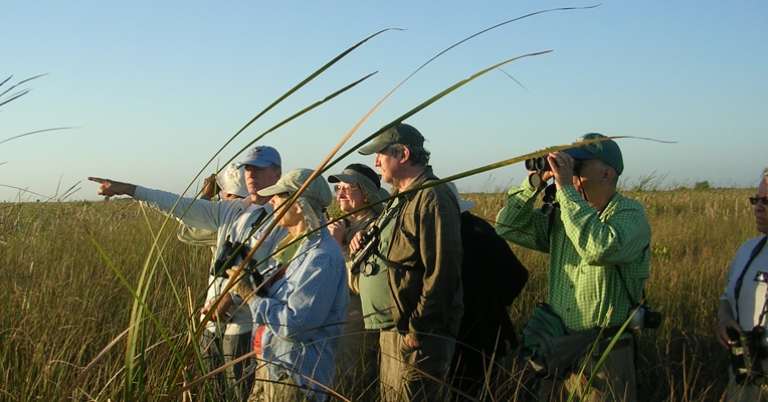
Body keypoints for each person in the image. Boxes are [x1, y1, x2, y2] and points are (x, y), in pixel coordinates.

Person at [89, 145, 288, 402]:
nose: (251, 175)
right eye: (248, 169)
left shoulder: (282, 217)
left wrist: (233, 298)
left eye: (259, 169)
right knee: (213, 392)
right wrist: (130, 190)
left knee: (240, 394)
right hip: (210, 321)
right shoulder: (232, 209)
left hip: (245, 325)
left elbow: (276, 271)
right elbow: (180, 206)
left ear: (277, 174)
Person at [496, 133, 651, 402]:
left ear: (606, 175)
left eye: (576, 166)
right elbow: (507, 226)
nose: (566, 172)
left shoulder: (629, 213)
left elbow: (599, 249)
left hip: (603, 353)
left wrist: (566, 188)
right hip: (557, 347)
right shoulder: (562, 216)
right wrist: (536, 180)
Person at [351, 123, 464, 402]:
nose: (375, 162)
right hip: (395, 328)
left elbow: (442, 271)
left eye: (380, 155)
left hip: (417, 336)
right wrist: (368, 237)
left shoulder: (432, 197)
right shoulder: (401, 195)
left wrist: (417, 330)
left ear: (402, 154)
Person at [226, 168, 349, 402]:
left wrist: (250, 295)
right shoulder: (295, 248)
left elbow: (296, 326)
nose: (271, 201)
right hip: (272, 369)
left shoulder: (322, 257)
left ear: (299, 205)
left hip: (295, 380)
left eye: (279, 196)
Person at [175, 162, 254, 400]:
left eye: (223, 193)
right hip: (234, 318)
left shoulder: (225, 218)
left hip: (234, 320)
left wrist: (206, 196)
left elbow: (186, 231)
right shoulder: (255, 214)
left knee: (226, 389)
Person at [445, 182, 529, 401]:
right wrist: (493, 304)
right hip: (485, 333)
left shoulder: (447, 231)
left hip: (467, 336)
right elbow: (516, 276)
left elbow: (516, 276)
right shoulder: (479, 228)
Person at [326, 163, 390, 400]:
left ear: (367, 192)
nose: (340, 193)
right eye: (338, 188)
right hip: (337, 320)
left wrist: (338, 247)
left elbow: (366, 283)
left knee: (352, 384)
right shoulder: (345, 224)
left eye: (348, 188)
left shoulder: (376, 227)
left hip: (357, 322)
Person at [717, 167, 768, 402]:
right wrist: (725, 319)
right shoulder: (748, 250)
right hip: (745, 368)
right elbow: (727, 297)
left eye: (766, 201)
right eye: (756, 199)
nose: (758, 207)